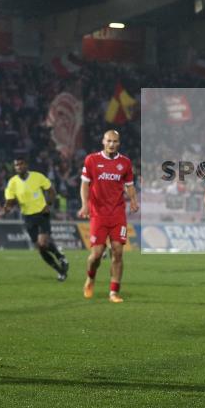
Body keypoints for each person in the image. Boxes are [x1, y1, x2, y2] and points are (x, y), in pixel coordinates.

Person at [78, 130, 138, 303]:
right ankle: (90, 277)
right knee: (96, 254)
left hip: (118, 213)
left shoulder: (125, 162)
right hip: (98, 214)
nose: (112, 144)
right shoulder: (92, 160)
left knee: (118, 252)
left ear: (119, 143)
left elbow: (130, 185)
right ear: (103, 141)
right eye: (109, 141)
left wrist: (133, 200)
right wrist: (84, 205)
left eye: (115, 141)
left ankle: (114, 292)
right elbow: (85, 185)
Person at [3, 156, 68, 281]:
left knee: (43, 242)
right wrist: (7, 207)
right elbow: (10, 199)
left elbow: (51, 191)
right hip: (27, 216)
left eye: (21, 164)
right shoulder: (12, 182)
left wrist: (48, 205)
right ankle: (60, 270)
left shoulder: (38, 177)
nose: (19, 167)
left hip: (42, 213)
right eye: (16, 165)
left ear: (26, 165)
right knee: (40, 248)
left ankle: (60, 256)